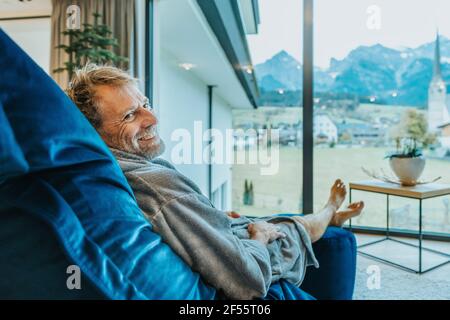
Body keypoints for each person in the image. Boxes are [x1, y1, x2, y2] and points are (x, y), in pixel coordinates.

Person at [67, 64, 364, 299]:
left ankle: (328, 215)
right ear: (93, 132)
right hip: (247, 262)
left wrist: (211, 217)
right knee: (290, 227)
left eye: (146, 103)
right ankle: (328, 212)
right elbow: (249, 283)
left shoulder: (110, 172)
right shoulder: (158, 185)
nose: (152, 118)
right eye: (131, 115)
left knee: (274, 220)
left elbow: (173, 222)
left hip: (224, 238)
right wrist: (259, 236)